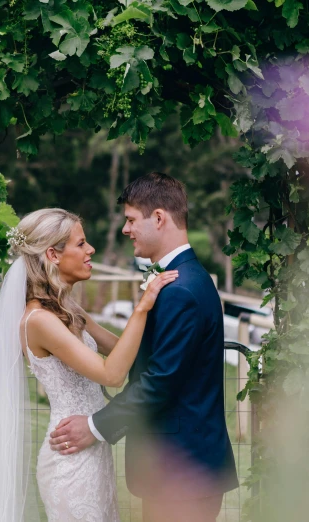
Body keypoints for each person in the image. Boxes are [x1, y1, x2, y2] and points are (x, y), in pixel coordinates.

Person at [0, 207, 177, 522]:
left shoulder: (69, 309)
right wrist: (142, 307)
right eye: (81, 244)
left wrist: (164, 314)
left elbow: (127, 351)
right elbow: (112, 374)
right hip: (69, 460)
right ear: (53, 255)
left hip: (92, 449)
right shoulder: (39, 320)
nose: (91, 250)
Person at [49, 173, 239, 522]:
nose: (126, 230)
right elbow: (145, 356)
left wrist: (94, 427)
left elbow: (160, 381)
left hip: (184, 472)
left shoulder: (181, 290)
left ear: (159, 218)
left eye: (131, 220)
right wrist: (86, 322)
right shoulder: (179, 279)